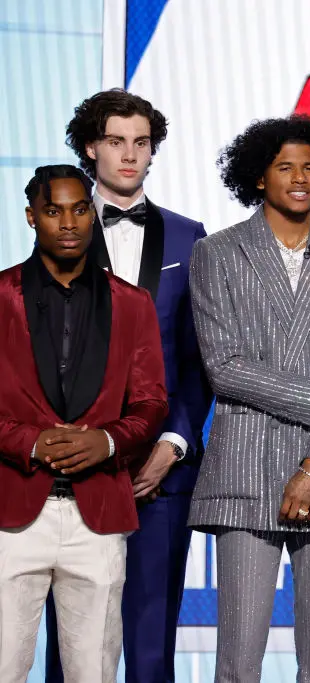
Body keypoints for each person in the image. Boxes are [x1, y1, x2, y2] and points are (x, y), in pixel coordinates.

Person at [188, 115, 310, 682]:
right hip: (244, 471)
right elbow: (224, 370)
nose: (300, 178)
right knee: (238, 665)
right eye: (284, 166)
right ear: (258, 177)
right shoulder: (217, 254)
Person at [44, 89, 211, 683]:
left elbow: (198, 361)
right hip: (72, 471)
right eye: (116, 141)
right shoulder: (55, 229)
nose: (130, 155)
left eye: (142, 143)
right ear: (90, 147)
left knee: (150, 645)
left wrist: (173, 443)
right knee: (74, 646)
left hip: (161, 471)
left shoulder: (192, 238)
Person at [0, 165, 168, 683]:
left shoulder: (133, 303)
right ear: (31, 217)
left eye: (79, 209)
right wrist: (30, 444)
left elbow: (152, 403)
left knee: (92, 672)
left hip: (98, 517)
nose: (68, 223)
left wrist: (108, 441)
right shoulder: (0, 296)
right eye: (53, 211)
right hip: (12, 516)